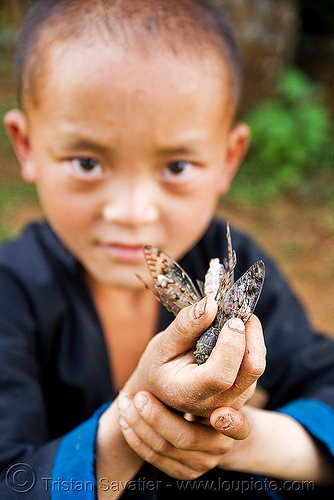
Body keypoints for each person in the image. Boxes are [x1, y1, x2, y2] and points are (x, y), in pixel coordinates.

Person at [1, 0, 334, 498]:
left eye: (176, 167)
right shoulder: (10, 291)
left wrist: (241, 438)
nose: (133, 212)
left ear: (229, 158)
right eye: (87, 162)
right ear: (26, 146)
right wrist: (129, 430)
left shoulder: (229, 262)